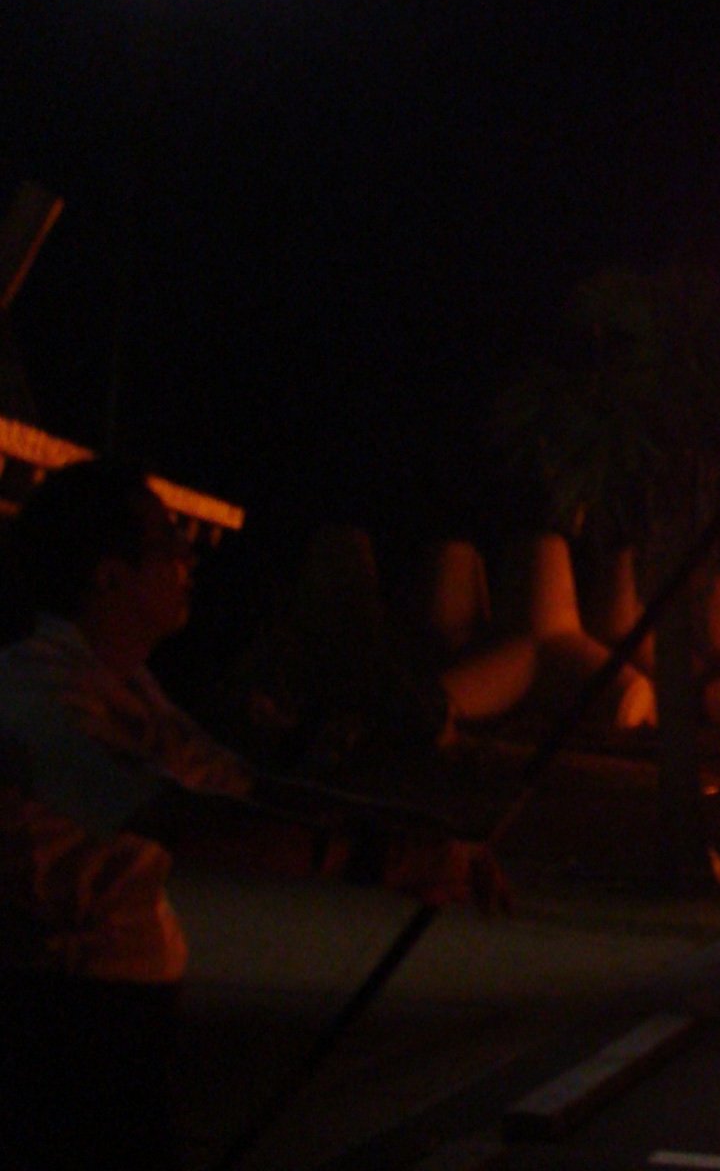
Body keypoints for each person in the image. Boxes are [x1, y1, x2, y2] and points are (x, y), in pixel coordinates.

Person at [0, 460, 509, 1171]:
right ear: (108, 576)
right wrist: (386, 859)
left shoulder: (127, 685)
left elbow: (246, 788)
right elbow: (185, 819)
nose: (186, 558)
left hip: (123, 1025)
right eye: (165, 541)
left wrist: (423, 831)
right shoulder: (35, 694)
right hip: (58, 1029)